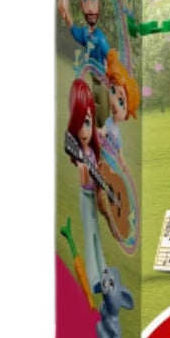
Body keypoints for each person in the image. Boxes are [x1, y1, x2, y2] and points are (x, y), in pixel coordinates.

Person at [67, 77, 107, 289]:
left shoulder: (91, 150)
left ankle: (103, 272)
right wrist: (85, 180)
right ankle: (93, 279)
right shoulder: (80, 155)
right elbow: (85, 182)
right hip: (86, 198)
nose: (84, 131)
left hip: (94, 197)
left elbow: (101, 134)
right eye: (80, 123)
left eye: (88, 122)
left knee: (97, 235)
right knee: (89, 235)